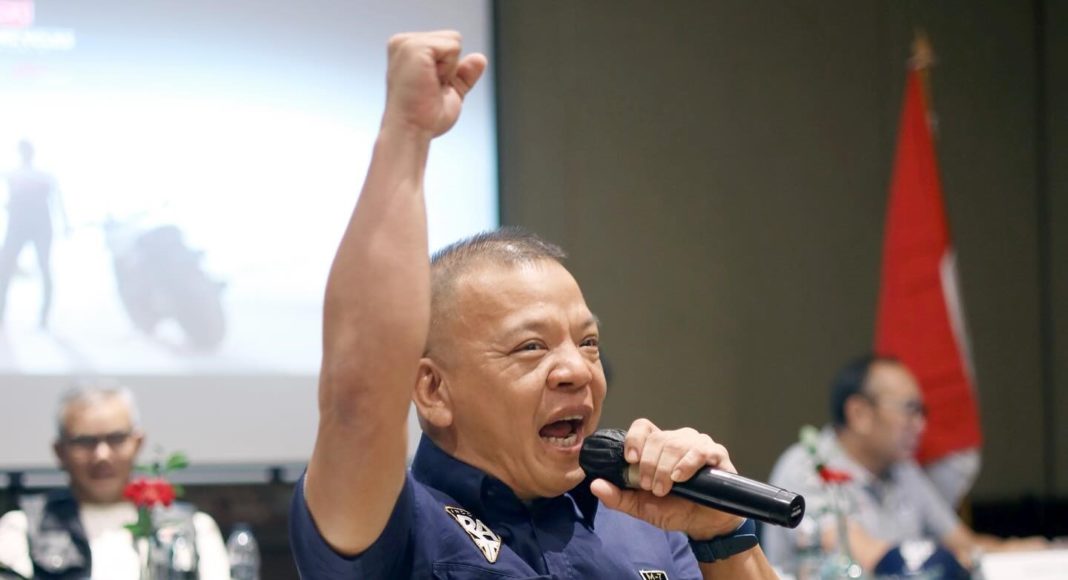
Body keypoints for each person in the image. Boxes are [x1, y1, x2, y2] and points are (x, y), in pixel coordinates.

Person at [289, 31, 780, 579]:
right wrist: (406, 134)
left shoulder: (648, 518)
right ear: (432, 389)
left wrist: (720, 535)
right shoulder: (394, 524)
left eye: (588, 342)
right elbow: (358, 400)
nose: (578, 370)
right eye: (530, 347)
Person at [762, 355, 1048, 575]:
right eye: (910, 410)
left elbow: (963, 543)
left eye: (922, 412)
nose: (921, 425)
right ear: (859, 413)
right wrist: (956, 561)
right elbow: (864, 557)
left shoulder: (903, 469)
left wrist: (1030, 552)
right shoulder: (809, 466)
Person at [0, 382, 231, 579]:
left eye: (116, 439)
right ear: (60, 451)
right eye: (85, 441)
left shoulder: (191, 528)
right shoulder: (22, 529)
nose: (102, 455)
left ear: (138, 443)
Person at [0, 139, 67, 330]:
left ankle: (43, 318)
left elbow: (57, 200)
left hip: (39, 228)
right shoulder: (14, 174)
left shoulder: (42, 176)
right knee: (5, 269)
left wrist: (66, 223)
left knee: (43, 268)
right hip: (19, 228)